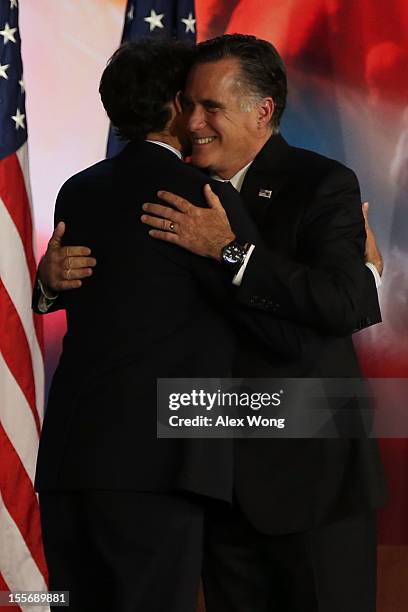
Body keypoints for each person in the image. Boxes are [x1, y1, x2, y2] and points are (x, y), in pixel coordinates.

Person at [37, 35, 386, 612]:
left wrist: (233, 253)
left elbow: (342, 307)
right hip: (212, 479)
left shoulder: (323, 183)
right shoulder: (174, 192)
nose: (194, 121)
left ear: (263, 111)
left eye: (211, 107)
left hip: (310, 477)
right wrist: (51, 282)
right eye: (189, 104)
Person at [33, 39, 269, 612]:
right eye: (193, 100)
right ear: (174, 105)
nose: (200, 115)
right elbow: (266, 314)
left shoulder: (79, 190)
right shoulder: (203, 198)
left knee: (68, 604)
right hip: (159, 467)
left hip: (71, 460)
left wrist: (44, 288)